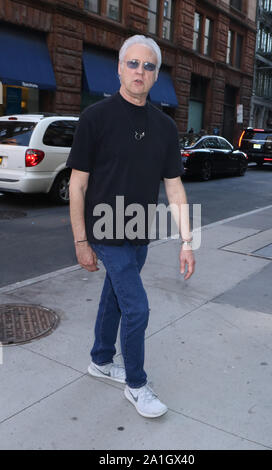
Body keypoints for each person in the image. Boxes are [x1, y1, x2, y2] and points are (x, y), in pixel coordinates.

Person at [67, 35, 195, 419]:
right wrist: (80, 240)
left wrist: (187, 242)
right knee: (136, 308)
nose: (140, 72)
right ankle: (137, 385)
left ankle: (101, 360)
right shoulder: (96, 118)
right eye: (134, 64)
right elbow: (77, 184)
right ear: (120, 68)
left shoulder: (165, 127)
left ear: (156, 76)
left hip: (140, 231)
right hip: (105, 231)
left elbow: (174, 187)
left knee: (115, 298)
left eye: (149, 66)